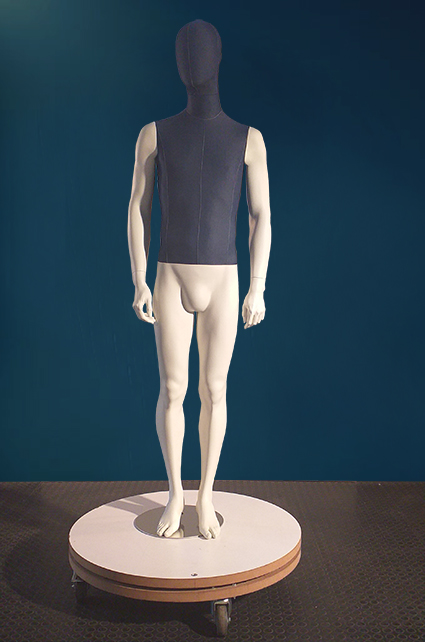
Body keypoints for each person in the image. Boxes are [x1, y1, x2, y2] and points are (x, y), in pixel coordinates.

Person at [128, 19, 271, 539]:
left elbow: (260, 215)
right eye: (185, 54)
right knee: (173, 389)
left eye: (201, 52)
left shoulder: (248, 140)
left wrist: (258, 285)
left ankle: (205, 495)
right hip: (170, 274)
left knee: (214, 389)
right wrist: (140, 279)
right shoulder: (154, 134)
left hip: (224, 279)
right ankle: (175, 493)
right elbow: (138, 208)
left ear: (217, 59)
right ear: (177, 64)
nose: (193, 62)